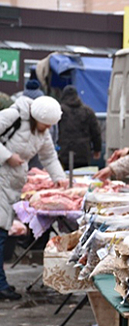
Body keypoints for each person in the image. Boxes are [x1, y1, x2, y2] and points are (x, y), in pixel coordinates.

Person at [0, 96, 68, 300]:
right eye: (45, 123)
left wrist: (59, 178)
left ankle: (1, 283)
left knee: (2, 232)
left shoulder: (42, 132)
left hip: (12, 184)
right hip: (1, 179)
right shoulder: (13, 116)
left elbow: (49, 156)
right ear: (36, 117)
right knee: (1, 234)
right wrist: (7, 156)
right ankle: (1, 286)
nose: (47, 128)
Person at [57, 85, 102, 170]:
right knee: (82, 179)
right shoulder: (88, 111)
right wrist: (97, 149)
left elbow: (54, 131)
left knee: (65, 179)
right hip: (83, 153)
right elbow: (96, 132)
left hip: (64, 152)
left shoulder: (60, 111)